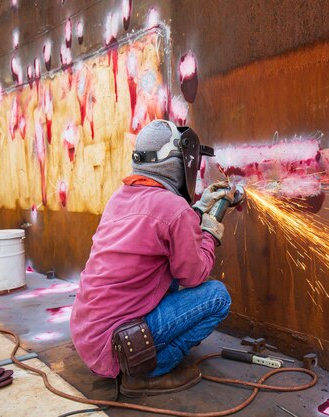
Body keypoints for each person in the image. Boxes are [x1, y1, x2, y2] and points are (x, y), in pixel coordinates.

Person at [70, 119, 233, 397]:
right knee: (218, 297)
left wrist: (197, 208)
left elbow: (161, 226)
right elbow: (194, 276)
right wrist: (209, 235)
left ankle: (139, 358)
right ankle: (148, 371)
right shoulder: (173, 208)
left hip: (90, 336)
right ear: (175, 163)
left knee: (165, 272)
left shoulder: (120, 197)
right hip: (118, 345)